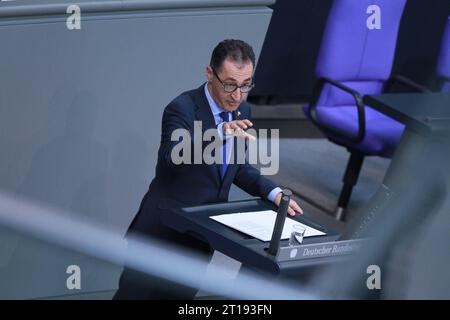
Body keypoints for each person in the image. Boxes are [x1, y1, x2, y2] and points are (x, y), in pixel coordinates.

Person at [114, 39, 303, 299]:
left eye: (246, 85)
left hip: (198, 241)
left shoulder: (241, 110)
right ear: (209, 74)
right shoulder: (182, 108)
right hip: (160, 237)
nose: (237, 95)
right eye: (229, 84)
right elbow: (173, 157)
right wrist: (218, 134)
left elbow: (236, 168)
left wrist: (274, 193)